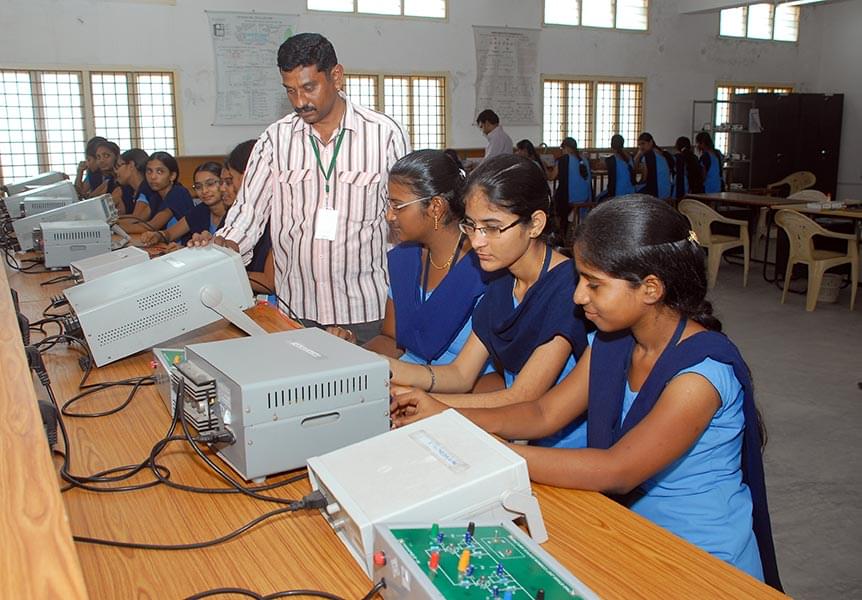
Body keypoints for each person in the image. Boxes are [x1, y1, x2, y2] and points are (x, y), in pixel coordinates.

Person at [391, 195, 782, 590]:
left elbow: (616, 470)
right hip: (630, 535)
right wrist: (445, 413)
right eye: (580, 279)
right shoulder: (615, 341)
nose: (579, 296)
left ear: (650, 288)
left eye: (594, 284)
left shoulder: (699, 375)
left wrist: (477, 448)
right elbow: (544, 413)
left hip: (705, 562)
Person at [195, 33, 410, 343]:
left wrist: (402, 297)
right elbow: (247, 216)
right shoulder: (275, 139)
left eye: (309, 88)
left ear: (336, 76)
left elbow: (401, 223)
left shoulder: (384, 134)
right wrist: (216, 252)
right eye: (290, 91)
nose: (299, 102)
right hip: (296, 309)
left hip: (366, 309)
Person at [388, 154, 589, 448]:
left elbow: (522, 397)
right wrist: (380, 372)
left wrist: (427, 403)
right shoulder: (501, 279)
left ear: (534, 224)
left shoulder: (567, 288)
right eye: (470, 226)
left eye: (492, 228)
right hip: (507, 432)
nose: (477, 241)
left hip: (560, 449)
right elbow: (460, 374)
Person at [331, 149, 494, 379]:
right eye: (388, 205)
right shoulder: (405, 260)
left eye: (399, 206)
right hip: (405, 381)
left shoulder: (485, 268)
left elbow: (499, 378)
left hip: (461, 394)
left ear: (435, 207)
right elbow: (391, 341)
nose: (389, 216)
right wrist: (352, 358)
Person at [140, 161, 227, 248]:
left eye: (210, 184)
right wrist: (157, 235)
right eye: (198, 187)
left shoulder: (235, 213)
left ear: (224, 183)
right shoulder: (201, 210)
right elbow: (170, 234)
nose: (204, 191)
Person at [118, 151, 194, 234]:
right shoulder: (156, 195)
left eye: (159, 172)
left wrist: (112, 228)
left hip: (185, 245)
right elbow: (138, 220)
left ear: (172, 176)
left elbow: (152, 226)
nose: (152, 177)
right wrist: (112, 224)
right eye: (149, 171)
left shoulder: (178, 193)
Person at [550, 137, 592, 235]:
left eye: (562, 149)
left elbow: (551, 177)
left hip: (569, 198)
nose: (562, 151)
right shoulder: (584, 160)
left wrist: (543, 166)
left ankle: (560, 233)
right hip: (585, 198)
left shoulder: (563, 160)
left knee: (552, 205)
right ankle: (570, 228)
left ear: (567, 148)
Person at [634, 132, 675, 199]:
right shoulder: (660, 153)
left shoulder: (648, 156)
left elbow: (644, 178)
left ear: (651, 142)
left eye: (643, 144)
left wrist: (637, 156)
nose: (641, 147)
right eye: (639, 145)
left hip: (657, 192)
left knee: (634, 190)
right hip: (667, 191)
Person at [597, 134, 635, 201]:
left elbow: (599, 166)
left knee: (598, 198)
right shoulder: (629, 157)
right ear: (623, 144)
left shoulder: (611, 160)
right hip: (631, 192)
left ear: (611, 145)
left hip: (616, 193)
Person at [112, 148, 150, 215]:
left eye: (119, 166)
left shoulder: (146, 190)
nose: (116, 171)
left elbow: (135, 220)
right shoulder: (132, 191)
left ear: (131, 165)